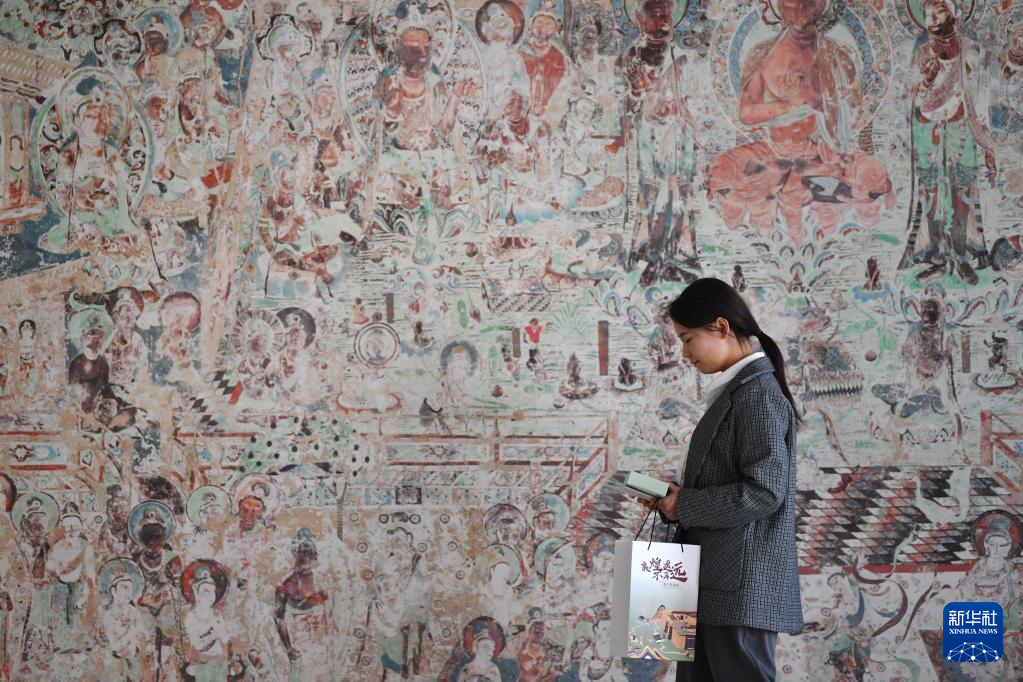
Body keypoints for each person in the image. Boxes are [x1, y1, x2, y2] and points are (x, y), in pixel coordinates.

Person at [654, 277, 803, 681]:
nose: (685, 353)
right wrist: (675, 500)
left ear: (721, 327)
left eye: (688, 339)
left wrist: (684, 504)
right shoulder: (739, 392)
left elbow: (764, 492)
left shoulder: (757, 395)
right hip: (715, 583)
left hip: (739, 590)